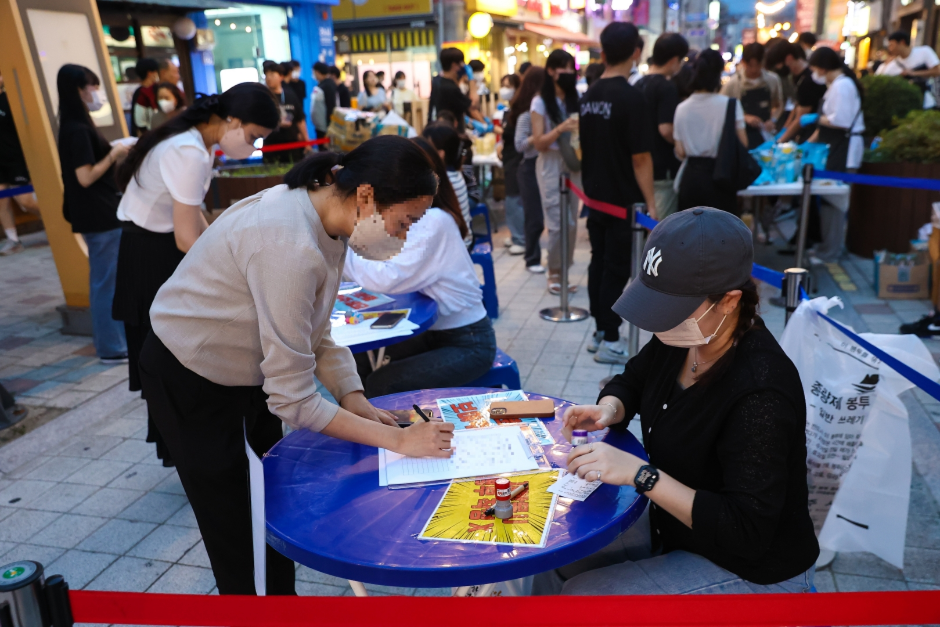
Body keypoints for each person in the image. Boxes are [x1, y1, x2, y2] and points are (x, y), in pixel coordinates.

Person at [139, 135, 455, 595]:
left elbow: (315, 330)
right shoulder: (287, 242)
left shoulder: (329, 215)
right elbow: (294, 400)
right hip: (191, 374)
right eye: (405, 222)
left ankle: (280, 608)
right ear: (367, 195)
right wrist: (398, 441)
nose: (403, 237)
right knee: (236, 528)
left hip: (247, 368)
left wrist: (354, 397)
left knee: (268, 507)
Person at [533, 207, 819, 596]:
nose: (657, 323)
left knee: (582, 598)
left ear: (729, 301)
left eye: (671, 310)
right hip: (677, 529)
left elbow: (746, 532)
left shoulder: (761, 391)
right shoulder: (687, 336)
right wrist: (609, 409)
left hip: (754, 569)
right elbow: (632, 378)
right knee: (554, 554)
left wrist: (641, 475)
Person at [113, 83, 279, 467]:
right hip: (153, 255)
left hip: (153, 247)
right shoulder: (188, 150)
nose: (254, 147)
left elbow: (195, 217)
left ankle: (186, 447)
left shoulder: (195, 142)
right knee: (169, 351)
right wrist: (235, 268)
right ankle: (186, 452)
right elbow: (189, 237)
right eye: (253, 136)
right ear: (232, 120)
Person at [347, 138, 496, 397]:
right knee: (357, 359)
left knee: (381, 383)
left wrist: (339, 250)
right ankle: (368, 431)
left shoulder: (433, 221)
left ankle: (385, 434)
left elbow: (387, 277)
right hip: (434, 332)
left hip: (468, 342)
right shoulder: (422, 218)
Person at [580, 22, 657, 365]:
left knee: (600, 263)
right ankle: (611, 337)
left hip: (595, 196)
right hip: (623, 200)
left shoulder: (590, 94)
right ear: (636, 52)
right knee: (615, 269)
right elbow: (640, 157)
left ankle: (600, 330)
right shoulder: (630, 97)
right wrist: (651, 203)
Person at [56, 64, 129, 364]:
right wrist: (114, 153)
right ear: (78, 90)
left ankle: (115, 342)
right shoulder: (77, 130)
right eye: (92, 87)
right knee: (106, 282)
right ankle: (111, 347)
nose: (95, 93)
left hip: (99, 213)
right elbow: (85, 177)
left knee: (107, 280)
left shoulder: (74, 125)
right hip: (99, 215)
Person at [806, 47, 864, 264]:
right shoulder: (837, 86)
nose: (814, 74)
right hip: (838, 148)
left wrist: (815, 119)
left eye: (814, 69)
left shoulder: (842, 86)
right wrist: (807, 143)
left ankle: (830, 252)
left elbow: (840, 121)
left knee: (836, 203)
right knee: (830, 201)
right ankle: (826, 247)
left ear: (822, 67)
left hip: (845, 150)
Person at [673, 50, 748, 214]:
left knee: (690, 235)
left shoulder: (682, 108)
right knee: (721, 235)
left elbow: (680, 151)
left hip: (691, 179)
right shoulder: (731, 105)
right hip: (721, 177)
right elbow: (743, 143)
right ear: (719, 74)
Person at [531, 49, 580, 295]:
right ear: (551, 71)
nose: (569, 73)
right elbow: (539, 142)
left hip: (573, 164)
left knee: (571, 223)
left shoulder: (576, 98)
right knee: (556, 223)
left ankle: (565, 270)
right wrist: (561, 128)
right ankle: (553, 272)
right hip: (550, 164)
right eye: (564, 68)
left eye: (572, 68)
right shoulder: (540, 102)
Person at [635, 32, 689, 222]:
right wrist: (682, 144)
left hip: (640, 168)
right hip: (662, 168)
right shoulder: (667, 87)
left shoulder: (639, 84)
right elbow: (665, 129)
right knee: (661, 232)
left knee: (644, 227)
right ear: (674, 60)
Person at [0, 72, 41, 256]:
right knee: (2, 200)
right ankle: (13, 240)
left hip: (16, 160)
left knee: (26, 202)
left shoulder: (9, 100)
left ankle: (59, 223)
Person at [511, 67, 547, 274]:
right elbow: (519, 144)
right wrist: (539, 136)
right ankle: (532, 258)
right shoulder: (527, 116)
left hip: (543, 166)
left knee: (542, 216)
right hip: (529, 167)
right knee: (535, 217)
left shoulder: (544, 111)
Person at [721, 43, 783, 149]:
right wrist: (744, 117)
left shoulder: (773, 80)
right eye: (750, 65)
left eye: (758, 65)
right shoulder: (733, 84)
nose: (754, 70)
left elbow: (778, 104)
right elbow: (722, 109)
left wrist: (773, 120)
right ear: (743, 62)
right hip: (741, 138)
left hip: (766, 136)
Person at [422, 124, 473, 249]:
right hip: (462, 241)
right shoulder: (454, 173)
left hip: (457, 245)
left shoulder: (444, 180)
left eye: (425, 148)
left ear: (440, 154)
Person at [766, 41, 827, 144]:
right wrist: (784, 129)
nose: (779, 69)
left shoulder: (808, 80)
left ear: (789, 58)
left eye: (779, 65)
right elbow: (797, 106)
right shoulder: (798, 78)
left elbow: (801, 116)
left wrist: (781, 140)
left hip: (814, 134)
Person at [876, 30, 940, 108]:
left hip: (931, 100)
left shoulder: (924, 52)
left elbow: (937, 71)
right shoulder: (894, 64)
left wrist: (913, 73)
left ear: (902, 42)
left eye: (892, 45)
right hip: (908, 104)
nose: (890, 49)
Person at [497, 76, 524, 255]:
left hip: (516, 159)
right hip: (508, 159)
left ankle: (521, 238)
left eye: (508, 86)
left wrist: (499, 132)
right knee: (510, 198)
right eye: (503, 86)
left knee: (515, 199)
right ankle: (515, 235)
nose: (505, 89)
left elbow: (514, 135)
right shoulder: (508, 111)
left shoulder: (520, 111)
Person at [263, 60, 309, 163]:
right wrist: (277, 123)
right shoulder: (263, 97)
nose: (268, 78)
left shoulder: (290, 95)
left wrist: (306, 140)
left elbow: (300, 119)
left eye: (272, 74)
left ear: (281, 77)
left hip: (292, 145)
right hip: (271, 146)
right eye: (266, 75)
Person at [428, 48, 484, 132]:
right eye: (461, 64)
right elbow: (473, 104)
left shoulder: (437, 81)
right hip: (451, 133)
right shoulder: (450, 88)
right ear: (454, 65)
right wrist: (471, 78)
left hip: (438, 130)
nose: (462, 67)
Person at [130, 58, 160, 136]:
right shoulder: (141, 93)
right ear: (150, 73)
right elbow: (139, 122)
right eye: (156, 72)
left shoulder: (156, 89)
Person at [312, 62, 338, 142]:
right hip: (322, 126)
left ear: (317, 72)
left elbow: (331, 107)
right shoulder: (323, 84)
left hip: (325, 128)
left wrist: (329, 127)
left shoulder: (326, 86)